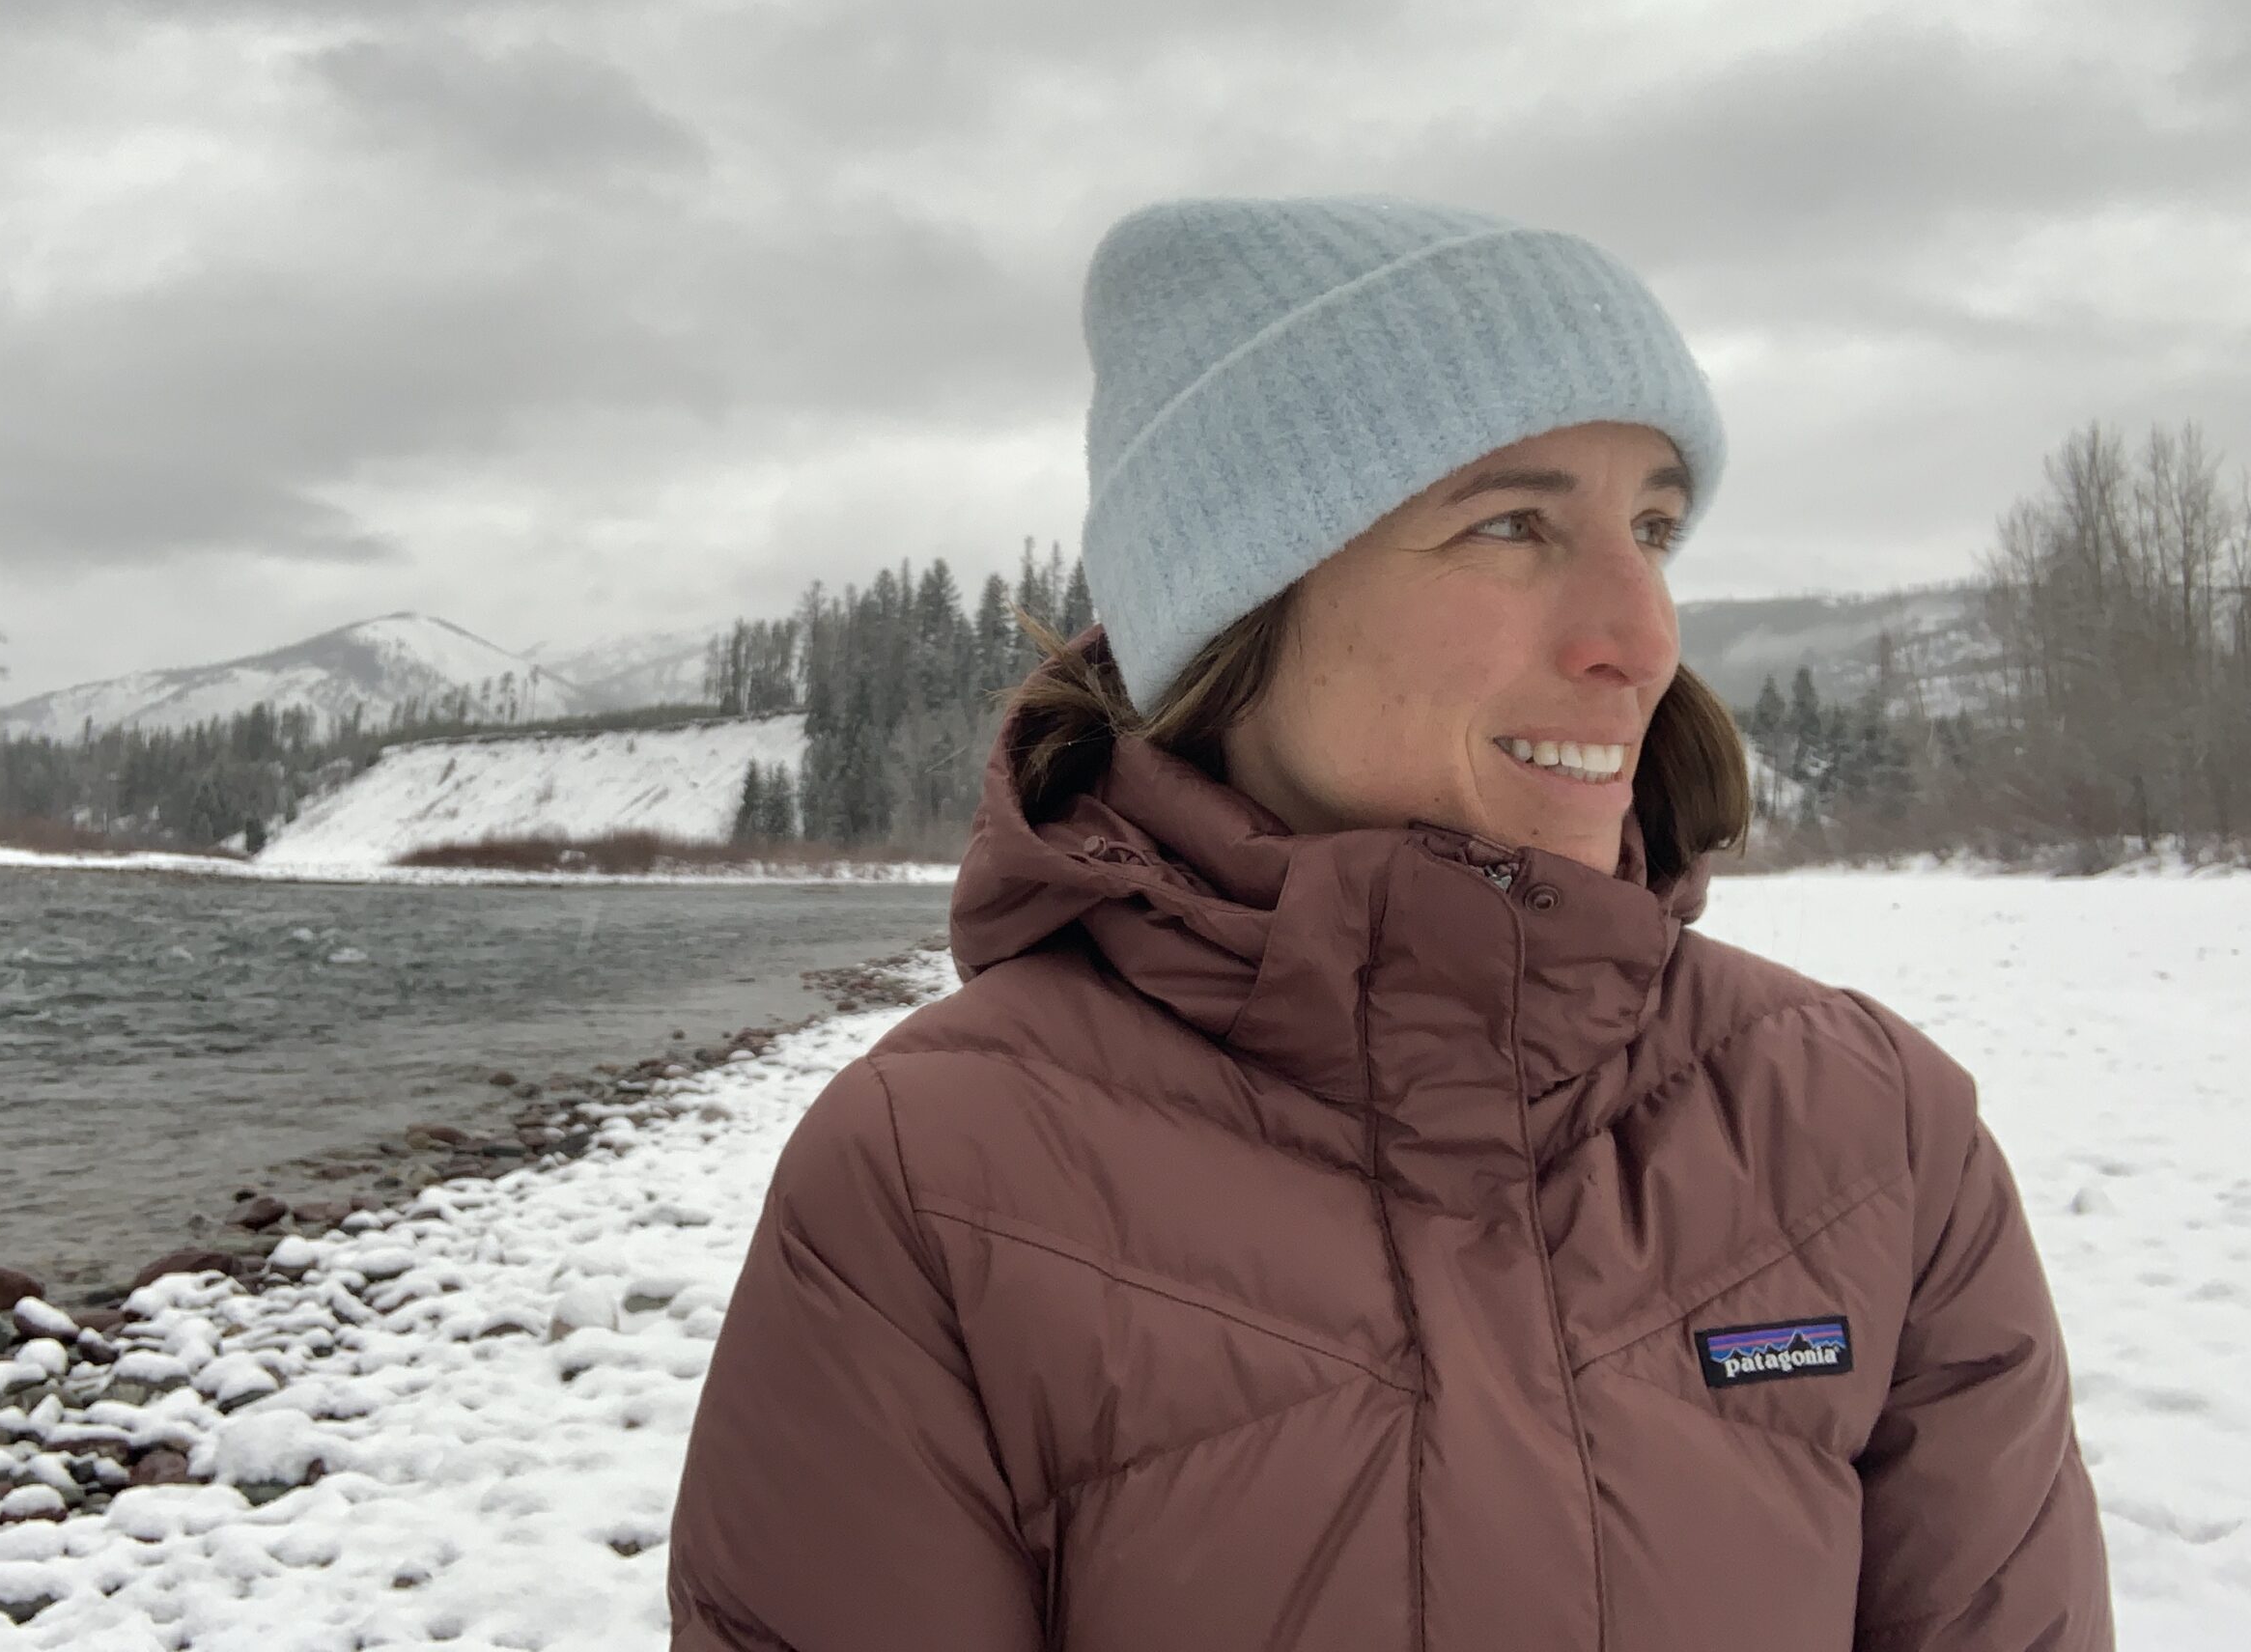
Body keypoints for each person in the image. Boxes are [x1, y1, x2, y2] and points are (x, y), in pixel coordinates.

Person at [665, 196, 2112, 1649]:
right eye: (1511, 523)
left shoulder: (1872, 1136)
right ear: (1241, 608)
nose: (1643, 634)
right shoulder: (934, 1183)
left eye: (1655, 527)